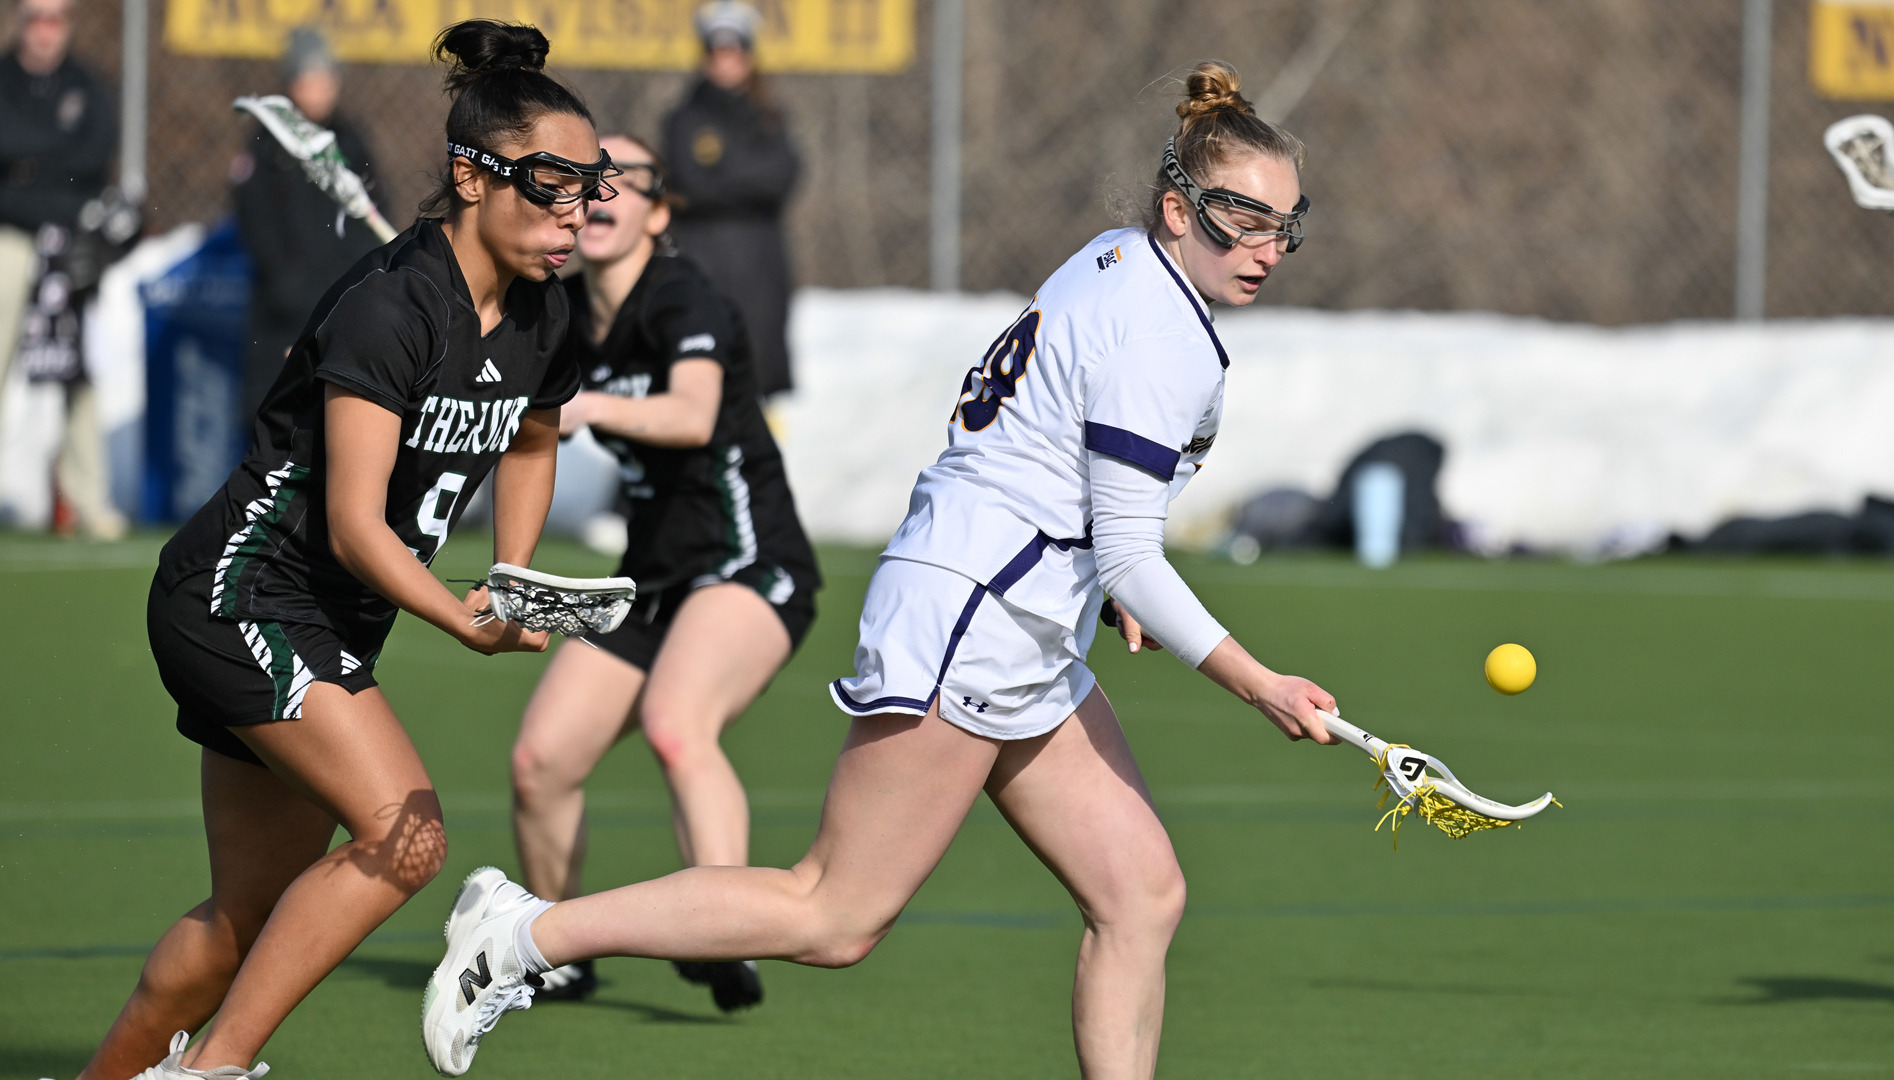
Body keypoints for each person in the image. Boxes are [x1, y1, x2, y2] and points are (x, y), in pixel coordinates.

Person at [425, 61, 1333, 1080]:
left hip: (1010, 607)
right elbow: (1128, 546)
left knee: (1141, 894)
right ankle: (524, 933)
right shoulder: (1166, 332)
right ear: (1177, 208)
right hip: (976, 613)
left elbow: (1075, 455)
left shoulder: (1118, 257)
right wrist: (1258, 681)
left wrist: (1113, 577)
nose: (1265, 248)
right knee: (833, 913)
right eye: (1240, 219)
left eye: (1284, 226)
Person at [67, 20, 615, 1080]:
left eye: (589, 190)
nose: (574, 214)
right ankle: (210, 1070)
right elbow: (355, 527)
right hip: (242, 591)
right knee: (406, 837)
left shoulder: (546, 314)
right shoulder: (390, 305)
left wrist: (513, 576)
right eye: (551, 185)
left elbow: (534, 436)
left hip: (329, 621)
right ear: (471, 175)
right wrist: (461, 618)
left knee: (244, 918)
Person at [508, 132, 820, 1012]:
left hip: (746, 563)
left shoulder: (685, 298)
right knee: (541, 759)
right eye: (586, 178)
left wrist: (588, 405)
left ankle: (727, 932)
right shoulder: (561, 310)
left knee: (678, 724)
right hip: (650, 578)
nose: (601, 192)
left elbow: (692, 415)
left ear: (658, 212)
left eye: (624, 179)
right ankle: (556, 952)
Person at [0, 0, 126, 539]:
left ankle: (87, 497)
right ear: (20, 21)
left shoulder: (87, 85)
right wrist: (49, 154)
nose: (44, 30)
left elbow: (92, 156)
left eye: (54, 19)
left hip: (71, 241)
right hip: (9, 235)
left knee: (78, 369)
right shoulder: (5, 79)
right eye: (35, 17)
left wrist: (26, 166)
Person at [232, 26, 387, 427]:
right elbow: (254, 217)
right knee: (275, 411)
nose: (318, 91)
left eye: (325, 80)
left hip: (341, 302)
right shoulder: (268, 144)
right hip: (284, 308)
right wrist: (287, 280)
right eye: (308, 80)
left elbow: (371, 212)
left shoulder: (349, 141)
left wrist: (357, 280)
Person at [661, 0, 801, 397]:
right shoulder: (684, 118)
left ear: (748, 56)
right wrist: (749, 177)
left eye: (734, 51)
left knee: (760, 361)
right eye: (716, 52)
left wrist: (723, 173)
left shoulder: (770, 115)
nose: (725, 62)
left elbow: (783, 176)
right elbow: (690, 184)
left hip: (760, 261)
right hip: (703, 255)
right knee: (703, 359)